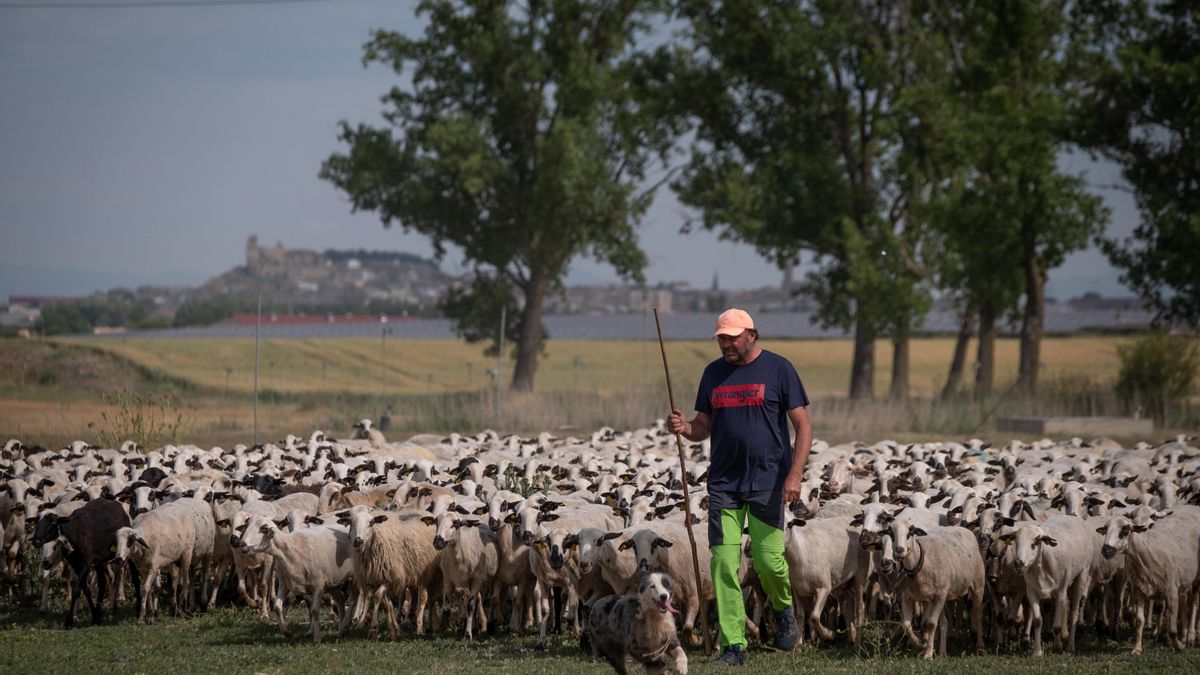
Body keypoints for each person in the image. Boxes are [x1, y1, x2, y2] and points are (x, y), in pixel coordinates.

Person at [667, 308, 812, 665]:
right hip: (724, 483)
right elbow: (703, 426)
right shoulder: (712, 374)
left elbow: (803, 427)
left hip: (769, 480)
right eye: (721, 338)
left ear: (751, 334)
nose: (726, 344)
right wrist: (684, 428)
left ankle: (781, 609)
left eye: (732, 337)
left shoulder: (779, 369)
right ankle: (734, 645)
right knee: (723, 563)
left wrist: (794, 475)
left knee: (768, 561)